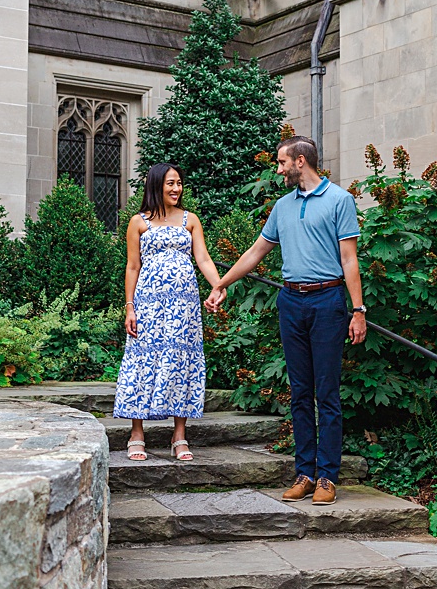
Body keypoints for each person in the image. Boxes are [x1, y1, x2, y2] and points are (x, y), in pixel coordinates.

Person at [207, 135, 365, 505]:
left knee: (326, 394)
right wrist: (221, 283)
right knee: (298, 393)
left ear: (300, 161)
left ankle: (327, 477)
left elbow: (349, 260)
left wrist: (357, 310)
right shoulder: (282, 206)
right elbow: (257, 251)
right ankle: (305, 474)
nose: (278, 170)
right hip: (291, 301)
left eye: (282, 163)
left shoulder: (340, 200)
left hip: (328, 300)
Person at [113, 164, 222, 462]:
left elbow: (203, 258)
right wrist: (130, 308)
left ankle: (179, 435)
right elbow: (132, 266)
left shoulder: (190, 220)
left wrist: (219, 285)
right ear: (157, 185)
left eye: (180, 183)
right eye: (171, 183)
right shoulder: (138, 222)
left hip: (184, 306)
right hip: (148, 305)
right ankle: (137, 432)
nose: (177, 189)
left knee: (181, 361)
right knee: (141, 359)